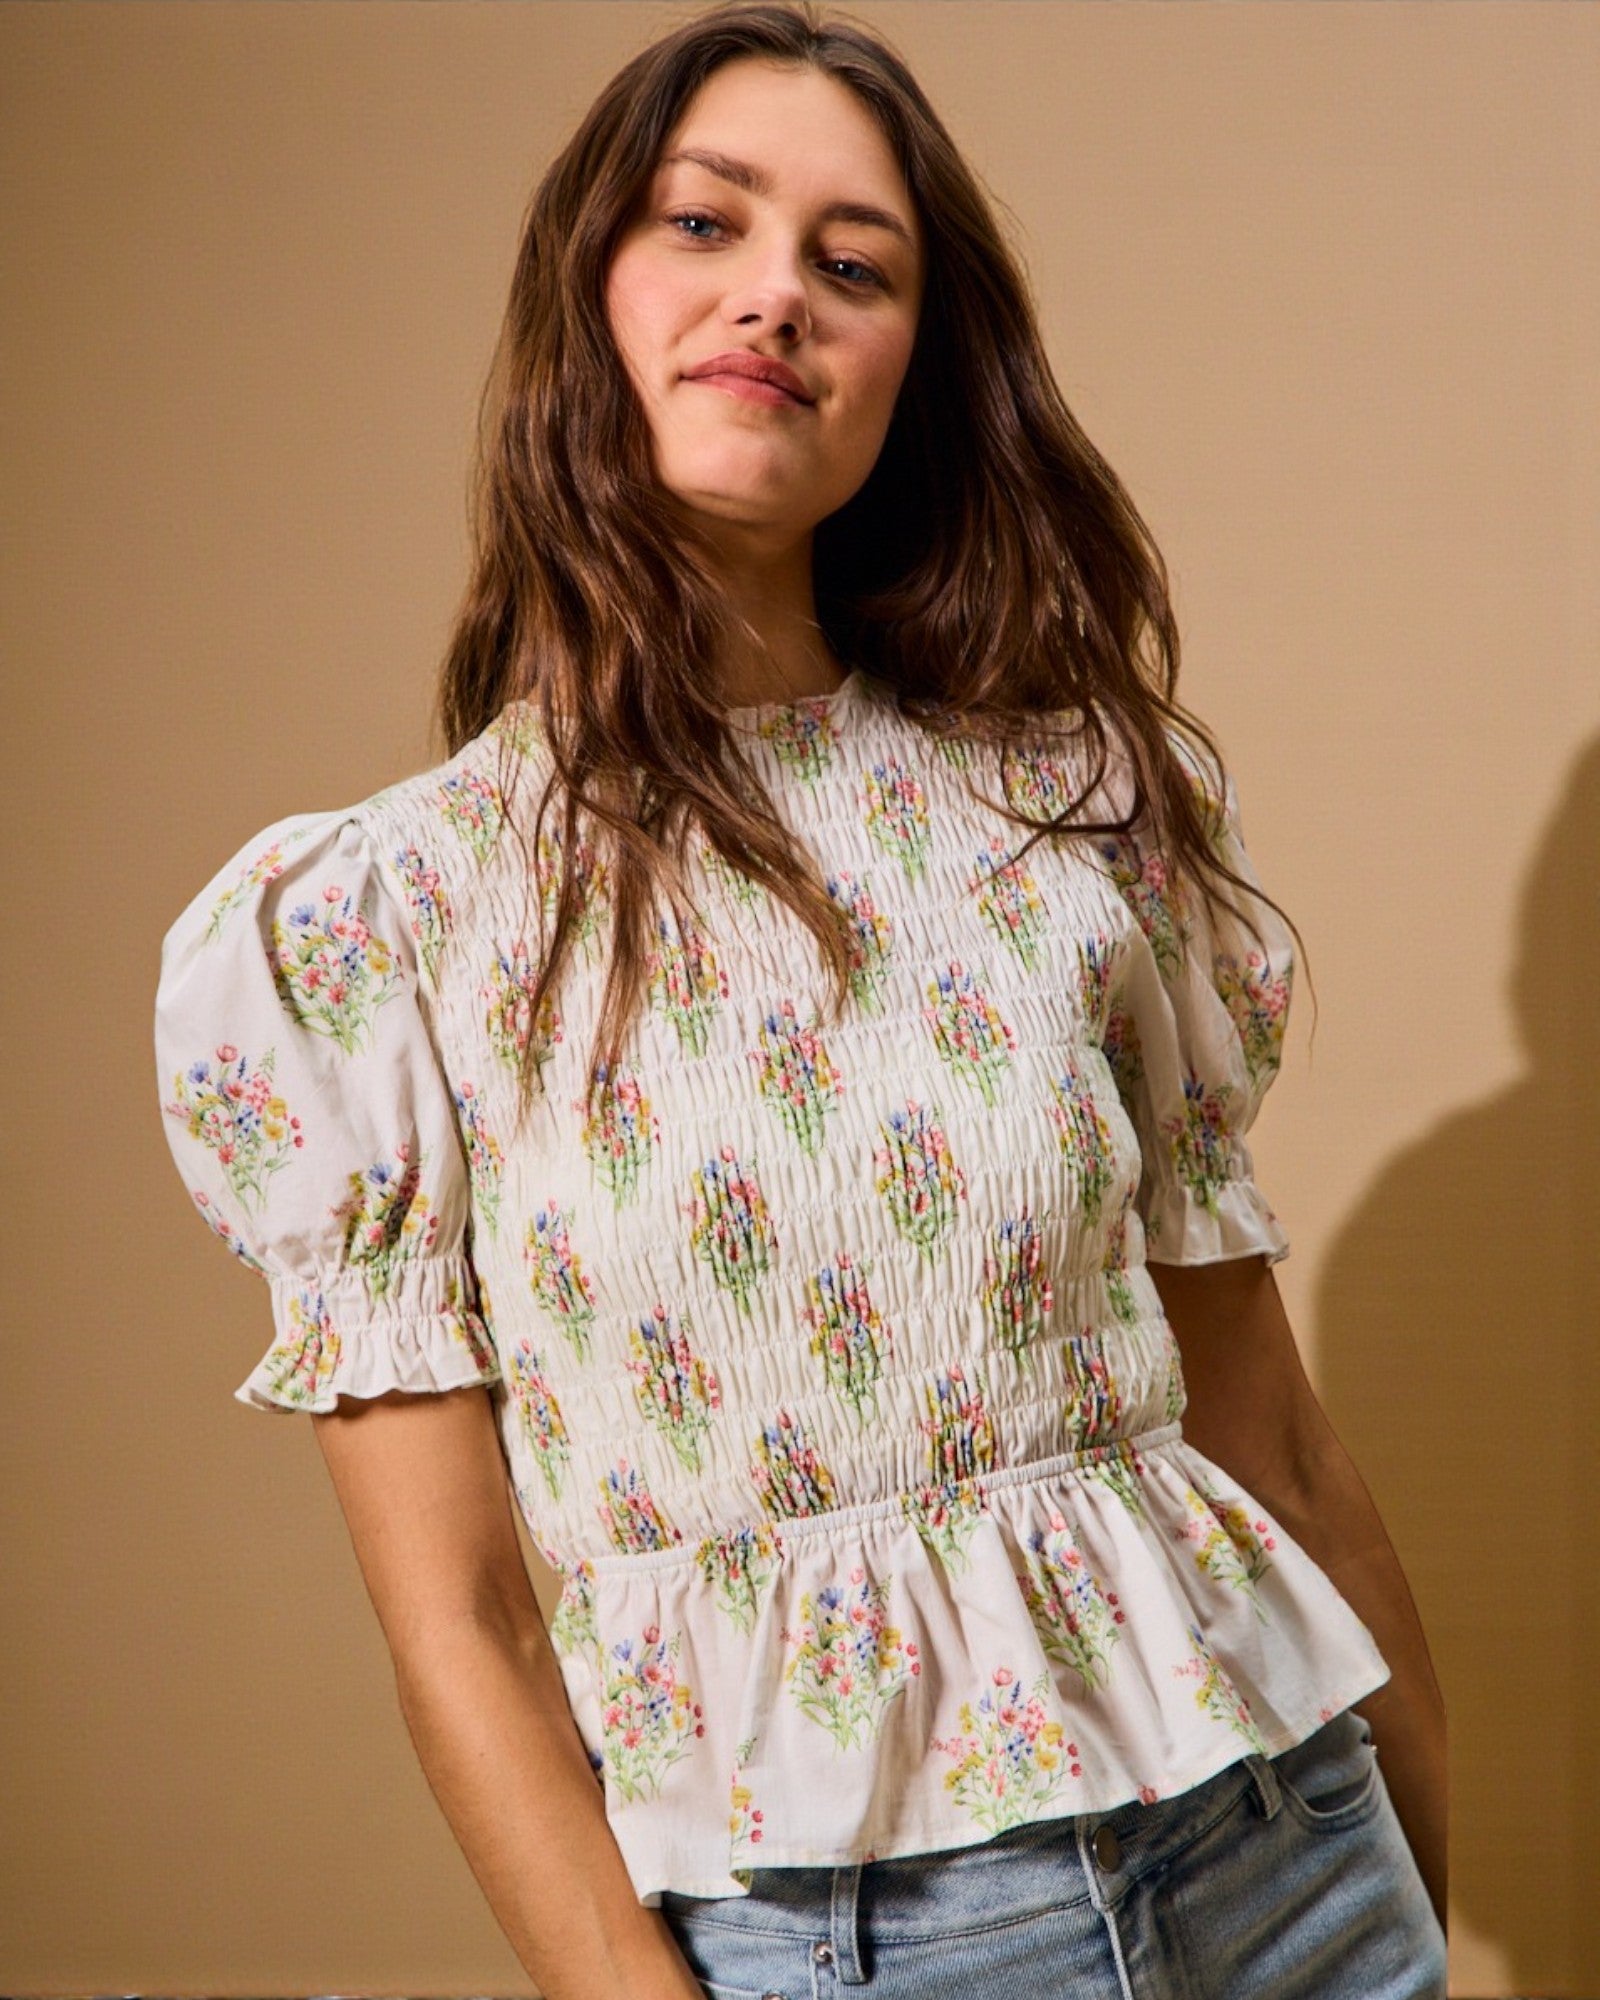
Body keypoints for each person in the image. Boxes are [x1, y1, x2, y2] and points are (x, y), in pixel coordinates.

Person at [152, 4, 1448, 1995]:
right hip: (844, 1946)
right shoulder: (380, 924)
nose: (776, 294)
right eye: (705, 223)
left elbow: (1268, 1434)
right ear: (583, 290)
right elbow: (466, 1626)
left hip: (1290, 1864)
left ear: (910, 369)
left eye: (854, 266)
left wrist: (1421, 1889)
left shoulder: (1074, 808)